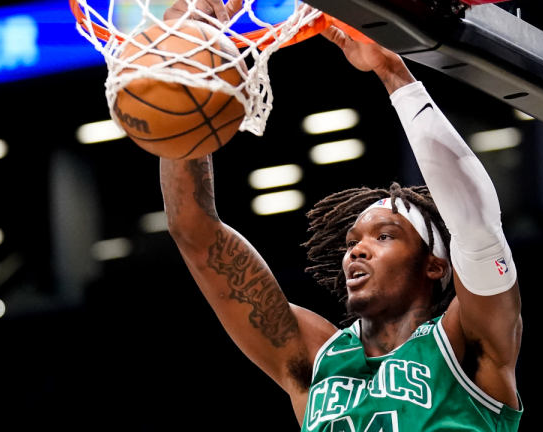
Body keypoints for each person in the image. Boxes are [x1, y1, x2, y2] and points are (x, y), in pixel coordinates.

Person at [160, 1, 523, 430]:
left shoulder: (468, 342)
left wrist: (393, 72)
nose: (357, 251)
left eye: (384, 236)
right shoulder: (317, 357)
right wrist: (186, 69)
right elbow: (195, 231)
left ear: (434, 265)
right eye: (352, 243)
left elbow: (476, 225)